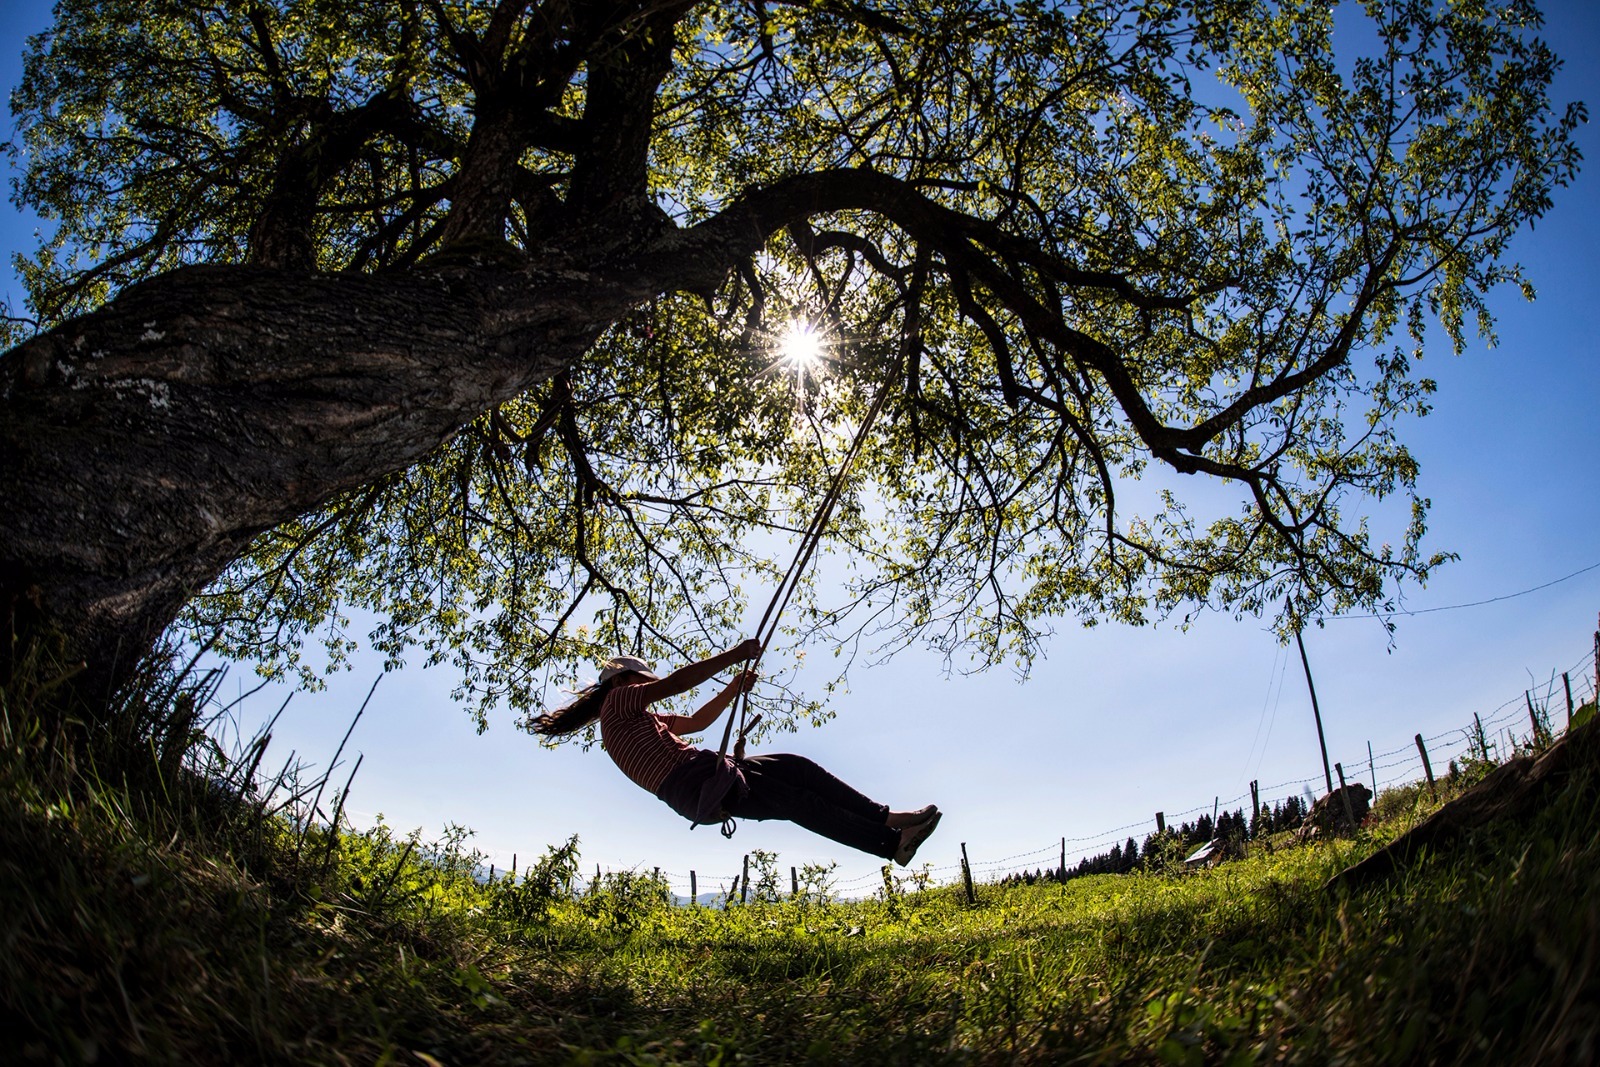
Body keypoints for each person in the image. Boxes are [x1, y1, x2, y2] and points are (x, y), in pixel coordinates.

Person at [532, 639, 941, 865]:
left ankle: (889, 819)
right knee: (800, 801)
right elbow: (676, 684)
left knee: (796, 769)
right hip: (698, 782)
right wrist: (734, 655)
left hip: (707, 775)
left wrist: (733, 687)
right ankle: (891, 843)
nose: (648, 687)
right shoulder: (618, 702)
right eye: (643, 680)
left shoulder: (637, 720)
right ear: (625, 680)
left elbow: (697, 722)